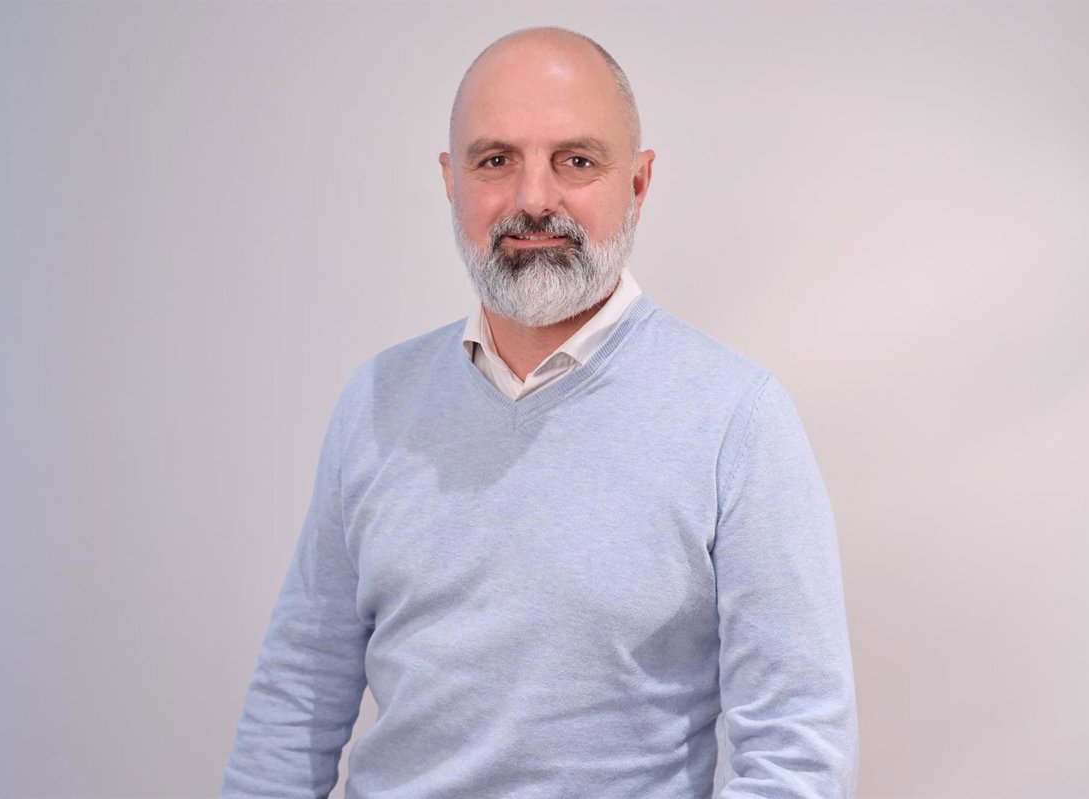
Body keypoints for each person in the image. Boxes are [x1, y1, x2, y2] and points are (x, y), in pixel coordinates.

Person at [221, 26, 858, 799]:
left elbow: (797, 752)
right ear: (451, 180)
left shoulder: (737, 419)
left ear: (639, 182)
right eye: (496, 160)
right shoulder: (376, 400)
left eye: (575, 161)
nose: (532, 199)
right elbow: (294, 698)